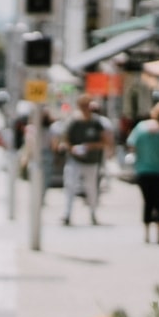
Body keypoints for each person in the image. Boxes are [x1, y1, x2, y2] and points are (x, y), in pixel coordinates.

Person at [125, 101, 159, 245]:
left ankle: (147, 233)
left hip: (144, 170)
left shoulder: (141, 128)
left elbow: (131, 145)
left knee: (148, 201)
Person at [56, 94, 114, 225]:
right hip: (75, 160)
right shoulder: (73, 121)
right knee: (70, 186)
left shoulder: (97, 122)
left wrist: (90, 146)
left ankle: (93, 214)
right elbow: (64, 140)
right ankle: (67, 214)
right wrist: (73, 149)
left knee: (91, 188)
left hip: (92, 161)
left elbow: (106, 141)